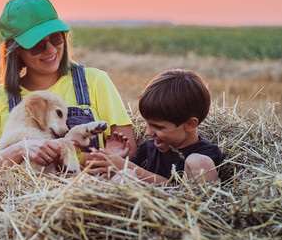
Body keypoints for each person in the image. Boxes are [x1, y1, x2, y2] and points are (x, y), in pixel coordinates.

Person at [0, 0, 136, 170]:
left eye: (56, 38)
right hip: (30, 196)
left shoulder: (95, 81)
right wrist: (22, 148)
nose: (50, 50)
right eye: (37, 45)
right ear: (16, 50)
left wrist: (63, 154)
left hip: (91, 191)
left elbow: (128, 151)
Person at [87, 69, 223, 184]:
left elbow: (178, 191)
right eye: (147, 123)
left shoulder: (205, 155)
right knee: (125, 175)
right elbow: (133, 181)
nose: (148, 132)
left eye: (159, 127)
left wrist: (127, 166)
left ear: (190, 124)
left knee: (198, 162)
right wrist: (117, 159)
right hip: (145, 213)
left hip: (183, 214)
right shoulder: (147, 150)